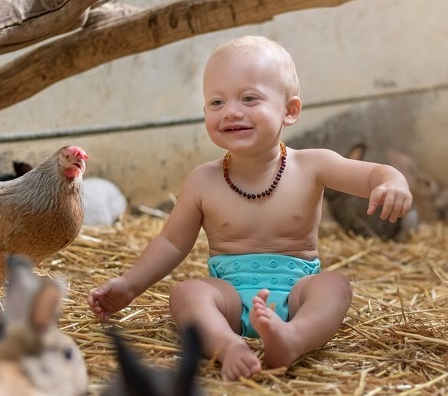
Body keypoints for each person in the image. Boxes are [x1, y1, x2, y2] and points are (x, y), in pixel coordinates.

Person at [88, 35, 412, 381]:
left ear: (290, 111)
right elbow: (171, 243)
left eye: (249, 98)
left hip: (296, 294)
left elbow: (373, 174)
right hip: (228, 297)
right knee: (187, 294)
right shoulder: (202, 181)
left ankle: (293, 337)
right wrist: (130, 285)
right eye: (216, 102)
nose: (231, 111)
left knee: (335, 286)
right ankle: (229, 346)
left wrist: (393, 182)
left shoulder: (313, 165)